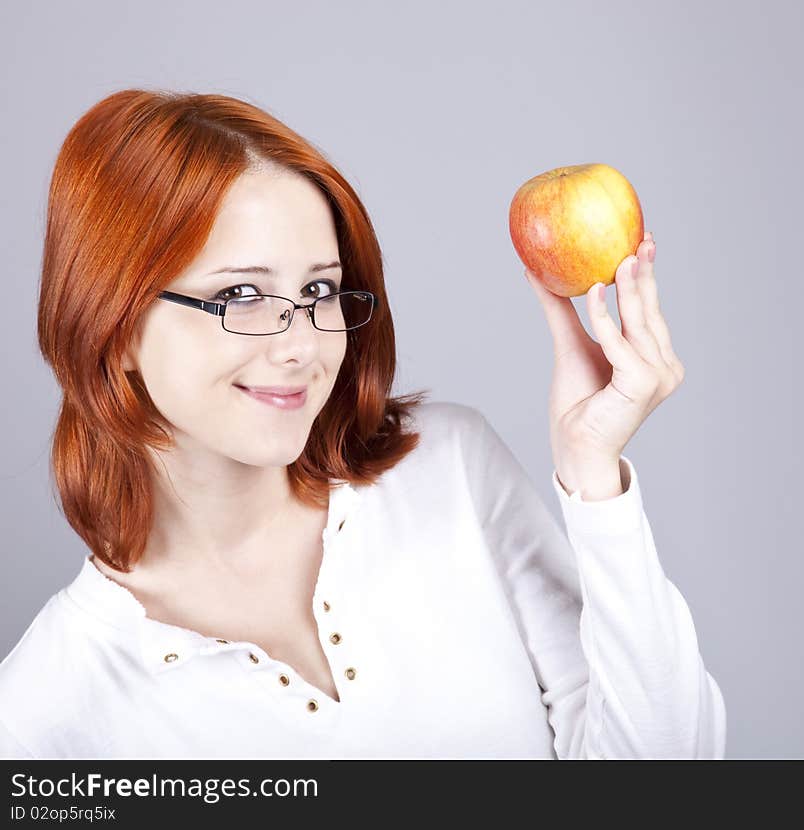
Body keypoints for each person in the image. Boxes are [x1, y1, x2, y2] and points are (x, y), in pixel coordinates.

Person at [0, 89, 726, 760]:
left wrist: (594, 478)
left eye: (318, 289)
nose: (301, 344)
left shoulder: (451, 472)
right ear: (114, 326)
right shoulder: (47, 712)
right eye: (243, 294)